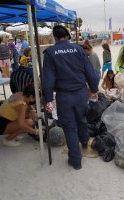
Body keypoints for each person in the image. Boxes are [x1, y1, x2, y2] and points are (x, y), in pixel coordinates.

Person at [42, 25, 99, 170]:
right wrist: (93, 89)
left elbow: (47, 79)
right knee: (81, 118)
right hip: (81, 93)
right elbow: (91, 73)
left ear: (54, 37)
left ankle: (75, 161)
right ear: (67, 36)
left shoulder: (50, 52)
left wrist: (48, 99)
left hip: (64, 95)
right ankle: (85, 141)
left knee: (69, 127)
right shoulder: (78, 49)